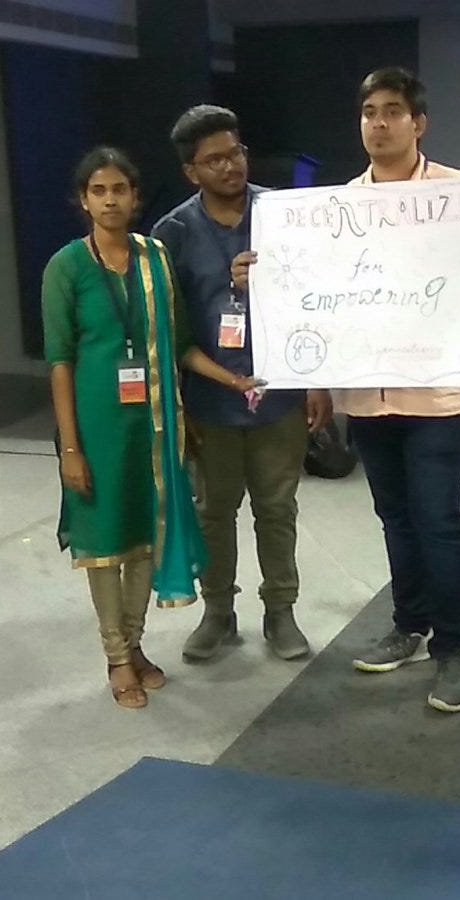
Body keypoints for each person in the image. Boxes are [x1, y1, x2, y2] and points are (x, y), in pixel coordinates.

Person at [236, 67, 460, 712]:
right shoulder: (338, 208)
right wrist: (261, 281)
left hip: (438, 397)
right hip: (368, 397)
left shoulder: (458, 198)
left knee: (438, 520)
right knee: (395, 519)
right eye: (369, 112)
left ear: (419, 123)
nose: (379, 123)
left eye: (392, 111)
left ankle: (455, 648)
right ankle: (410, 626)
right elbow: (320, 300)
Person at [43, 147, 253, 709]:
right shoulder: (67, 266)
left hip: (155, 428)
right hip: (96, 430)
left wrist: (232, 380)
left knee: (143, 539)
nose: (110, 200)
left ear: (135, 198)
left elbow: (181, 344)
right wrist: (69, 448)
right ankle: (116, 657)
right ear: (84, 200)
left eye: (120, 189)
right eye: (99, 191)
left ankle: (133, 647)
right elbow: (59, 362)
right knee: (103, 543)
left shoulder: (155, 257)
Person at [152, 106, 329, 664]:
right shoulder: (172, 234)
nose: (230, 166)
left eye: (236, 153)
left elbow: (316, 300)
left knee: (277, 509)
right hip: (211, 400)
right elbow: (172, 330)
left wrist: (316, 381)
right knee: (214, 511)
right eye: (215, 160)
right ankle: (218, 612)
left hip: (281, 393)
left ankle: (281, 611)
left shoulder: (282, 214)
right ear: (191, 171)